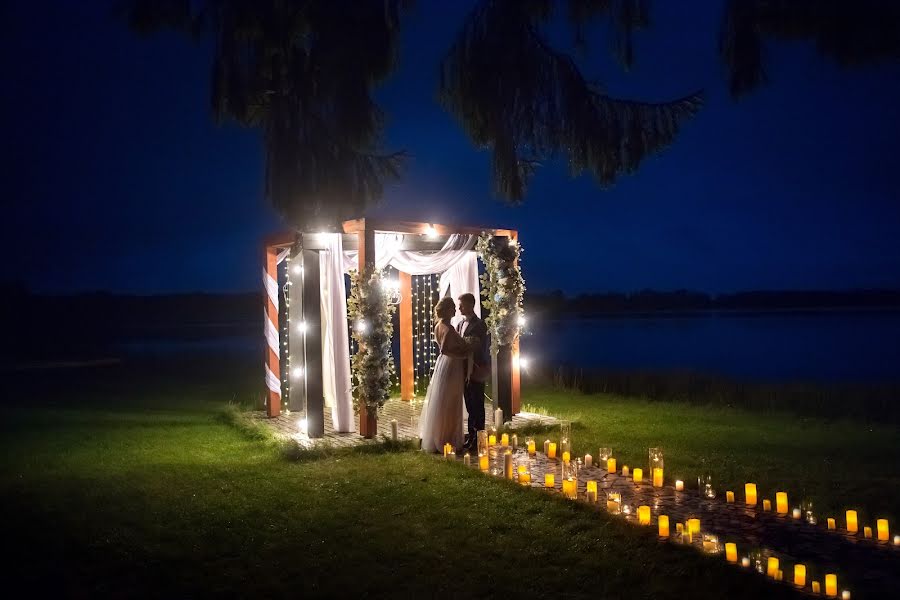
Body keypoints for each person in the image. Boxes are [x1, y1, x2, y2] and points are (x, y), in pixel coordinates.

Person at [418, 297, 469, 453]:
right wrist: (463, 355)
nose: (454, 310)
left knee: (443, 400)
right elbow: (445, 349)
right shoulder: (448, 328)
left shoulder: (439, 326)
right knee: (450, 401)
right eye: (452, 308)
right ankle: (446, 438)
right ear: (446, 310)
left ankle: (441, 435)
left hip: (444, 364)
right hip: (451, 365)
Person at [456, 293, 489, 453]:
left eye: (461, 304)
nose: (459, 307)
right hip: (463, 370)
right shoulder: (460, 324)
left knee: (477, 404)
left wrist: (470, 349)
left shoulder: (480, 325)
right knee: (469, 404)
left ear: (470, 305)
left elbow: (480, 348)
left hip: (475, 369)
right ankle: (471, 435)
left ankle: (479, 437)